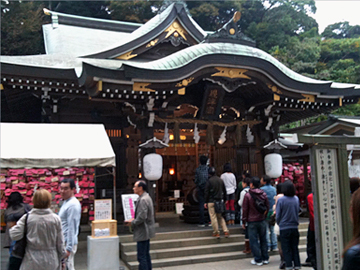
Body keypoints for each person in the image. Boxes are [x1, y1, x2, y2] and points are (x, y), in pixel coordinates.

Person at [9, 189, 66, 270]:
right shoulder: (56, 219)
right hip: (51, 260)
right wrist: (63, 260)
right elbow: (60, 243)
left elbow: (14, 235)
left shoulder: (27, 218)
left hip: (31, 259)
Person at [125, 180, 156, 270]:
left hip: (143, 230)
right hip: (146, 230)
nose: (133, 188)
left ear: (140, 188)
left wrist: (132, 222)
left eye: (135, 187)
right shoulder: (146, 197)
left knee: (141, 256)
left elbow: (142, 217)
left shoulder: (143, 199)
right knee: (146, 254)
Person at [242, 177, 269, 266]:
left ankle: (258, 259)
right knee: (263, 239)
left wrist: (244, 220)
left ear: (251, 184)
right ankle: (265, 258)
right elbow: (267, 207)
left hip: (251, 220)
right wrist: (264, 216)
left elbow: (245, 209)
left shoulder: (248, 195)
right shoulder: (263, 194)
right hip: (261, 219)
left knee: (253, 241)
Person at [276, 180, 301, 270]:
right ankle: (297, 265)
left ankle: (289, 265)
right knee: (294, 247)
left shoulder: (281, 200)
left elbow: (278, 214)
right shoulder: (296, 199)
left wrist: (279, 223)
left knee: (286, 248)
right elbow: (298, 210)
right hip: (294, 226)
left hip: (284, 227)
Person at [59, 178, 81, 270]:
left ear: (72, 189)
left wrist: (68, 248)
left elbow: (72, 227)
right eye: (61, 188)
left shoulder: (72, 205)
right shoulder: (66, 202)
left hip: (67, 242)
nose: (62, 191)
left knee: (68, 267)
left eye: (66, 188)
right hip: (64, 241)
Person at [204, 167, 229, 239]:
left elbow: (206, 192)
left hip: (211, 201)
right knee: (220, 216)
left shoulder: (209, 181)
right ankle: (225, 231)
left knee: (213, 217)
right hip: (219, 201)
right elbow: (224, 191)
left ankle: (216, 232)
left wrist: (205, 201)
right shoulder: (220, 180)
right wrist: (225, 199)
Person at [260, 175, 277, 251]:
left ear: (264, 181)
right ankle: (274, 245)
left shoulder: (261, 190)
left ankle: (268, 245)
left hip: (265, 211)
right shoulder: (274, 189)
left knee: (266, 229)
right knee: (273, 229)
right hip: (273, 210)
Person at [302, 192, 316, 269]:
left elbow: (312, 211)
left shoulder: (310, 197)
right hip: (314, 223)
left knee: (311, 242)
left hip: (314, 225)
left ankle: (311, 259)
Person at [194, 155, 209, 227]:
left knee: (201, 204)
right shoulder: (208, 169)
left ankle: (202, 221)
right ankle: (210, 220)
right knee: (209, 204)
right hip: (208, 188)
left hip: (200, 188)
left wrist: (197, 184)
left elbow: (196, 180)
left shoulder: (197, 170)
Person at [238, 177, 251, 254]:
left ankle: (248, 248)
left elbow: (241, 203)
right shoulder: (252, 191)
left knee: (247, 232)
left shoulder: (243, 192)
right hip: (253, 214)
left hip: (246, 213)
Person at [274, 183, 285, 269]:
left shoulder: (278, 197)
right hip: (289, 222)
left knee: (280, 243)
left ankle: (283, 259)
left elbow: (277, 209)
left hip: (281, 222)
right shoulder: (290, 196)